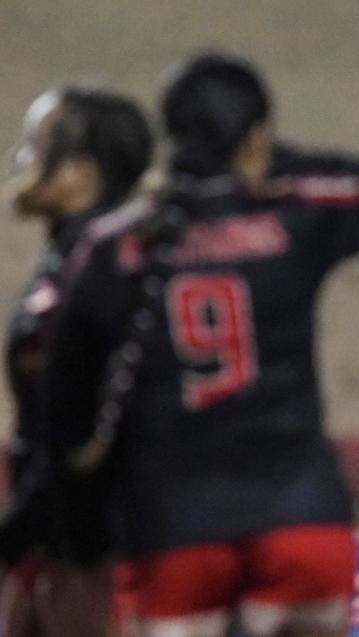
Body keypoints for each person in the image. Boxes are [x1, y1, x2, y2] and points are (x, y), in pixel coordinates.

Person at [44, 53, 359, 637]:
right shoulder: (293, 219)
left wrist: (84, 536)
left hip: (173, 526)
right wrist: (259, 162)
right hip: (300, 516)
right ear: (256, 136)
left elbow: (67, 408)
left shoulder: (112, 248)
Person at [0, 86, 153, 637]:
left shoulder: (103, 269)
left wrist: (18, 531)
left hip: (95, 548)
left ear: (81, 172)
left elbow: (87, 426)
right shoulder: (73, 256)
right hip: (57, 534)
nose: (23, 162)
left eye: (38, 146)